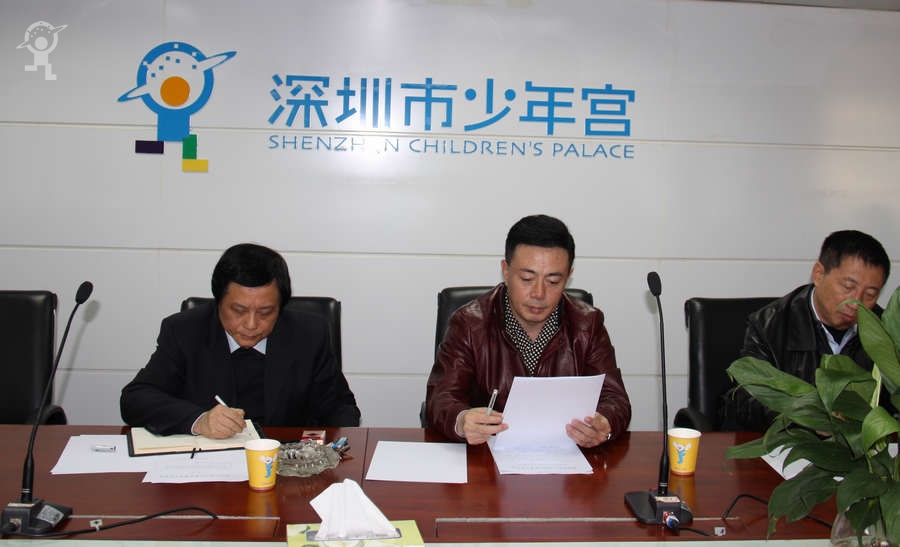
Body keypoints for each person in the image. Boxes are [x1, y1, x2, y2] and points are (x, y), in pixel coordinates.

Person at [425, 214, 632, 447]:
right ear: (505, 271)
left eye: (553, 281)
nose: (539, 294)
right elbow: (441, 398)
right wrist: (462, 420)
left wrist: (604, 424)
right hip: (486, 458)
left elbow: (615, 399)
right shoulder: (469, 324)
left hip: (565, 455)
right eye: (526, 278)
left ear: (568, 277)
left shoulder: (587, 325)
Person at [121, 243, 360, 438]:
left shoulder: (308, 334)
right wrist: (199, 421)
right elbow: (136, 399)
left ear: (281, 306)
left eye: (266, 312)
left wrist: (321, 451)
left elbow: (340, 407)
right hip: (209, 466)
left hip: (287, 464)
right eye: (238, 310)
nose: (251, 324)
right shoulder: (185, 331)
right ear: (218, 302)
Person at [722, 229, 892, 431]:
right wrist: (808, 415)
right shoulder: (769, 325)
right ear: (819, 274)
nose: (856, 303)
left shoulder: (886, 332)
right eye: (848, 287)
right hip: (788, 443)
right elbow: (746, 401)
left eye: (870, 295)